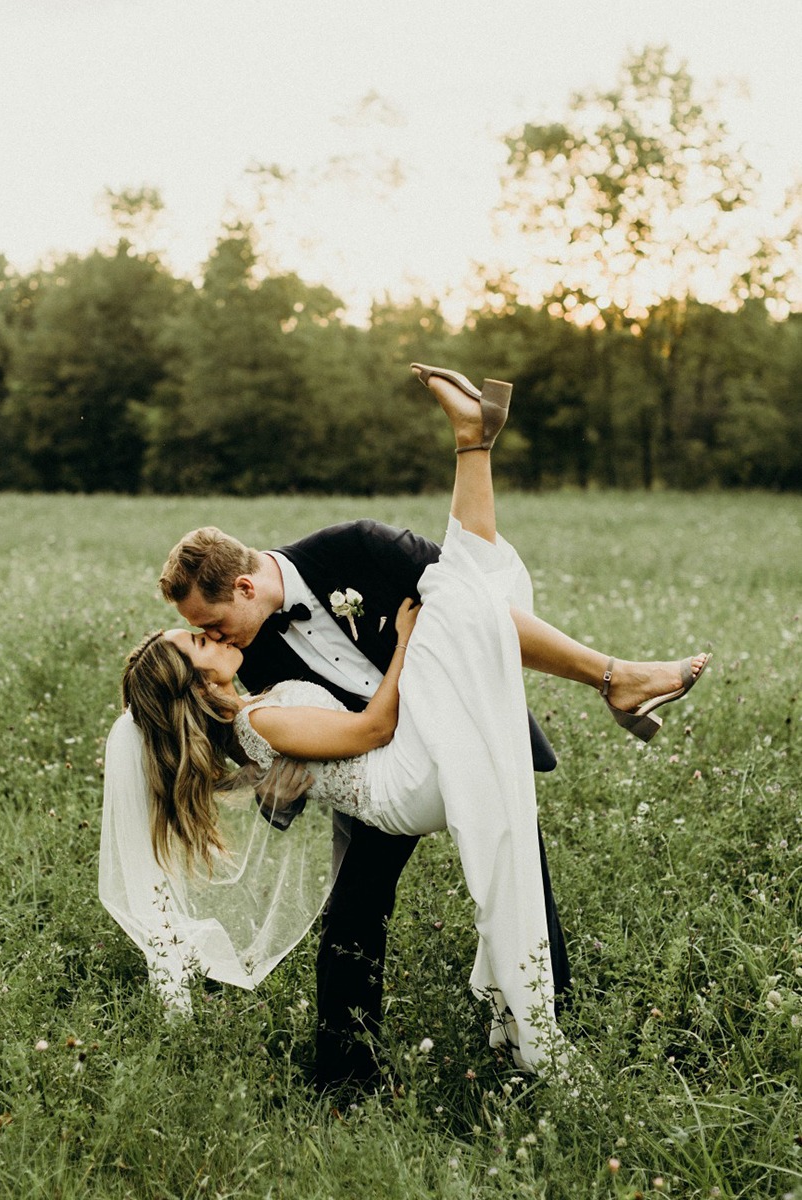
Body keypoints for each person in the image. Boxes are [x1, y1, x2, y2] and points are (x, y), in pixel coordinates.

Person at [101, 364, 710, 1079]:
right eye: (206, 637)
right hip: (382, 767)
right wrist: (275, 777)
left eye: (213, 623)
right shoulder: (248, 654)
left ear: (241, 585)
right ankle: (344, 1069)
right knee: (354, 910)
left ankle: (544, 1015)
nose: (222, 639)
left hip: (441, 734)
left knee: (510, 831)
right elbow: (288, 729)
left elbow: (474, 592)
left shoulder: (352, 549)